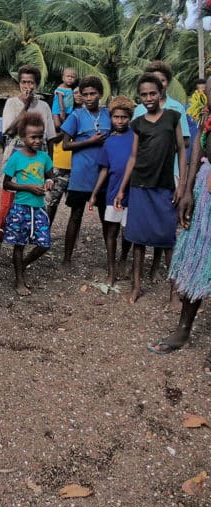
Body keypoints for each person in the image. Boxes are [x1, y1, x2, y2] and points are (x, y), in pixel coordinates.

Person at [147, 111, 211, 367]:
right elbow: (198, 144)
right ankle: (184, 329)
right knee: (196, 259)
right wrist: (187, 189)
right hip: (206, 188)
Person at [117, 74, 187, 304]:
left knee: (168, 239)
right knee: (138, 239)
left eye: (152, 93)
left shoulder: (173, 117)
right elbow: (133, 157)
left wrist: (182, 184)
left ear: (160, 93)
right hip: (139, 185)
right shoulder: (137, 123)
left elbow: (181, 150)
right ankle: (136, 287)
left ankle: (174, 292)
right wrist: (121, 189)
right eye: (144, 94)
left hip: (165, 185)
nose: (148, 98)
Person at [0, 65, 56, 262]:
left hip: (37, 162)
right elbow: (8, 131)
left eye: (31, 82)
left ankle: (21, 248)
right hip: (15, 159)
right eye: (24, 82)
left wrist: (49, 170)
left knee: (31, 204)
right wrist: (25, 106)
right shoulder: (11, 103)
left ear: (36, 84)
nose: (27, 86)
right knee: (6, 207)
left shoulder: (44, 106)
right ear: (19, 83)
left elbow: (50, 138)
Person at [58, 76, 111, 264]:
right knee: (75, 216)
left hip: (103, 176)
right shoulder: (76, 116)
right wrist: (90, 141)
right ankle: (66, 259)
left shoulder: (109, 115)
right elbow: (65, 145)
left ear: (100, 94)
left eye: (93, 94)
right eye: (85, 94)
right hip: (81, 175)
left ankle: (111, 261)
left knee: (107, 219)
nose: (89, 98)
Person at [1, 113, 54, 296]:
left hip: (38, 207)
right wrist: (28, 187)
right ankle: (19, 279)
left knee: (44, 243)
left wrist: (49, 183)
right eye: (33, 137)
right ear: (23, 137)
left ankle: (22, 264)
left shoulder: (44, 157)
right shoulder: (16, 158)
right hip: (20, 207)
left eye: (40, 136)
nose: (38, 140)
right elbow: (6, 183)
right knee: (19, 244)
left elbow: (50, 176)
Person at [88, 96, 135, 286]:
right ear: (111, 118)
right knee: (111, 230)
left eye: (124, 117)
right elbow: (104, 169)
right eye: (116, 117)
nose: (120, 121)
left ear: (129, 117)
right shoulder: (108, 142)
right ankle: (111, 269)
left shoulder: (135, 137)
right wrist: (94, 193)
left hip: (132, 192)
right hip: (113, 191)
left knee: (128, 231)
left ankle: (124, 258)